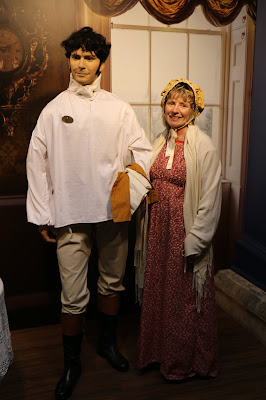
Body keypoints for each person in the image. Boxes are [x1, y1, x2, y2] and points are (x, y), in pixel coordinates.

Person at [26, 26, 152, 400]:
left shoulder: (119, 108)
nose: (81, 63)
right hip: (68, 213)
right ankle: (72, 363)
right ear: (70, 59)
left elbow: (143, 154)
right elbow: (37, 163)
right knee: (72, 295)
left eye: (89, 57)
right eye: (76, 56)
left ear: (101, 62)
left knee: (112, 283)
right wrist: (44, 214)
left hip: (113, 213)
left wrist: (127, 194)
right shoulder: (54, 110)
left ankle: (108, 345)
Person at [137, 78, 222, 381]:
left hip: (183, 232)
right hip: (159, 230)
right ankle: (157, 354)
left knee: (184, 298)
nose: (175, 109)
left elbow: (210, 197)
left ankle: (186, 362)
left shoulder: (204, 146)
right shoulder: (161, 140)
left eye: (183, 104)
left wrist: (196, 239)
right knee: (161, 293)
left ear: (194, 110)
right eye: (171, 103)